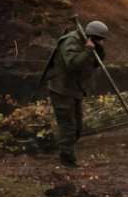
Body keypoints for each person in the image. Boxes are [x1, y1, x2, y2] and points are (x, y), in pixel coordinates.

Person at [46, 20, 109, 167]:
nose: (101, 41)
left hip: (75, 89)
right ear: (91, 36)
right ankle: (67, 162)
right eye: (99, 39)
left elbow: (95, 64)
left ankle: (64, 150)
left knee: (78, 127)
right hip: (61, 89)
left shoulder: (89, 43)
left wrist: (98, 49)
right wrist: (87, 50)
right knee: (68, 126)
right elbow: (73, 64)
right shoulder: (71, 41)